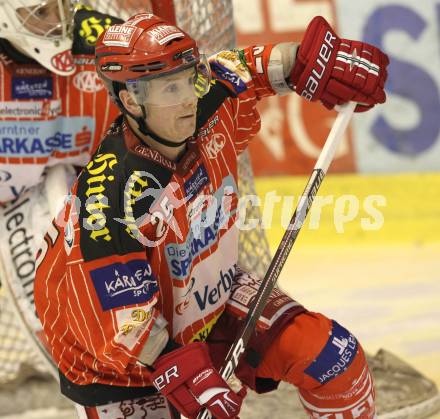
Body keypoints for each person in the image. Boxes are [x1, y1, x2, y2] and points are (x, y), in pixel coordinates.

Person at [34, 12, 389, 419]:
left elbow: (246, 67)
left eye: (188, 79)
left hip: (209, 303)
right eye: (170, 88)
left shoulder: (202, 106)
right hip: (124, 367)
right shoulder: (109, 201)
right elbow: (123, 322)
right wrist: (185, 374)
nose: (187, 98)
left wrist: (314, 61)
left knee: (335, 360)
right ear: (131, 100)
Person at [0, 1, 121, 344]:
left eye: (61, 6)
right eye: (40, 13)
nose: (59, 22)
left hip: (89, 185)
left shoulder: (105, 38)